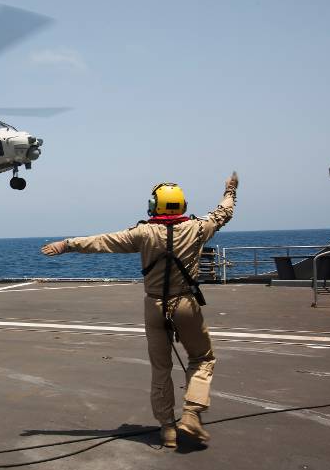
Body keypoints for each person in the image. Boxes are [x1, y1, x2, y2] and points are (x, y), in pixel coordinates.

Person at [41, 172, 238, 448]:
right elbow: (222, 214)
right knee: (203, 358)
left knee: (161, 368)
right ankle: (192, 412)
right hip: (185, 304)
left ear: (154, 205)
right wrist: (230, 190)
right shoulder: (197, 228)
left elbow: (103, 241)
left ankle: (168, 428)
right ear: (181, 205)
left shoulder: (143, 233)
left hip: (154, 305)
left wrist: (67, 245)